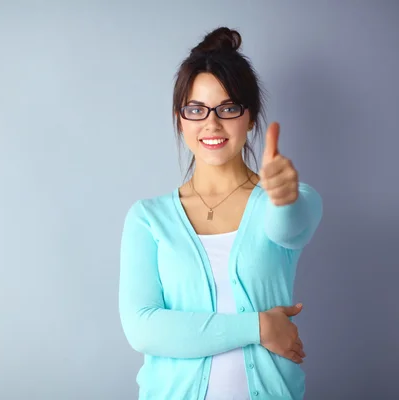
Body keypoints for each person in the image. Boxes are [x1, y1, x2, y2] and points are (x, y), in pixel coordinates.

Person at [118, 27, 323, 400]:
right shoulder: (148, 218)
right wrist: (259, 327)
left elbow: (288, 226)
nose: (211, 124)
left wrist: (283, 196)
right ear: (180, 119)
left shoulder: (291, 200)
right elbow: (143, 328)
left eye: (227, 108)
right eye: (196, 109)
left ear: (250, 116)